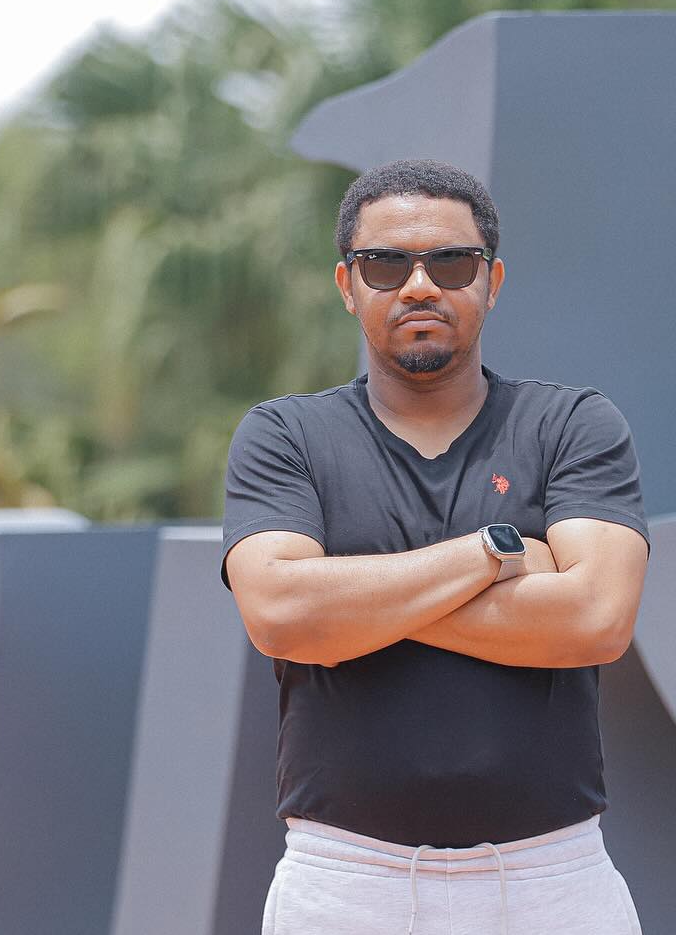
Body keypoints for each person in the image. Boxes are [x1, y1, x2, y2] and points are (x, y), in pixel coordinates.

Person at [221, 158, 650, 935]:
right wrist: (498, 554)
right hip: (347, 884)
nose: (419, 285)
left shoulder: (571, 426)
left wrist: (349, 608)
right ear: (347, 284)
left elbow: (597, 618)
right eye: (385, 264)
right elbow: (281, 615)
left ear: (492, 280)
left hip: (549, 882)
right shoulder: (286, 435)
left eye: (452, 262)